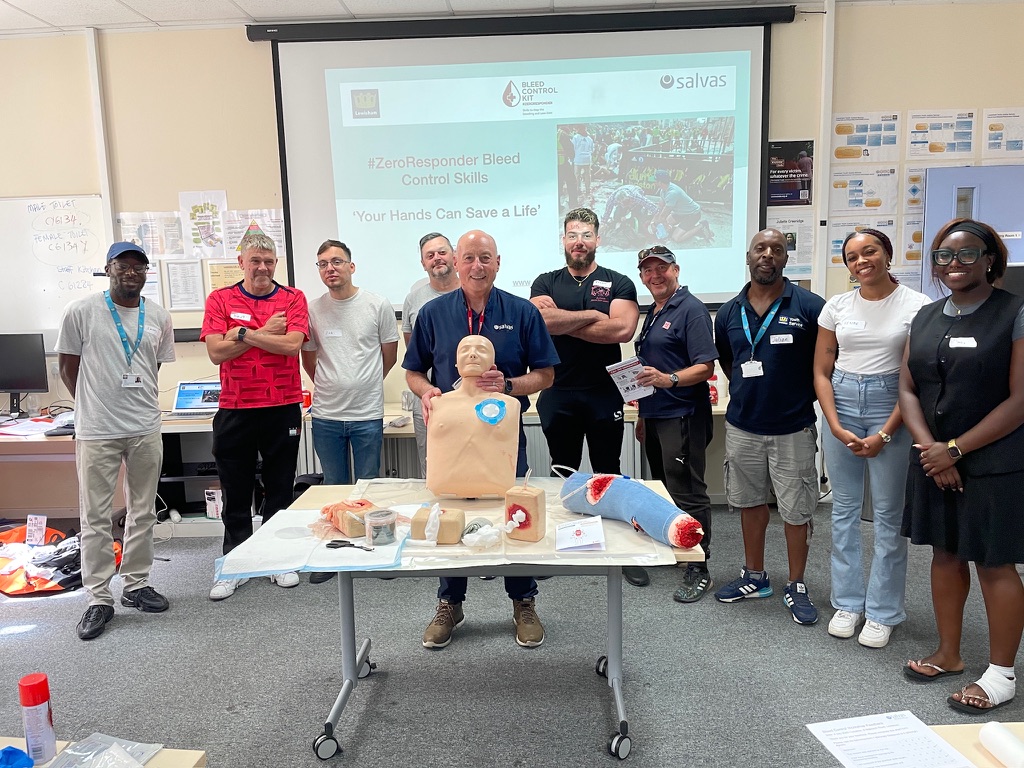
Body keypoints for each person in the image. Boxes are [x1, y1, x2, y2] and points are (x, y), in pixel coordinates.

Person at [404, 229, 558, 649]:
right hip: (450, 439)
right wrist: (427, 391)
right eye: (469, 257)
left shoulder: (523, 312)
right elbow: (414, 371)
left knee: (514, 511)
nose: (477, 266)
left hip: (503, 439)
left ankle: (523, 600)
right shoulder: (433, 314)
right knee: (449, 513)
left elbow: (545, 374)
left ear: (498, 262)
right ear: (456, 262)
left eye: (485, 258)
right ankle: (449, 602)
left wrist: (508, 385)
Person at [900, 219, 1024, 714]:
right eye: (944, 257)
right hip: (934, 460)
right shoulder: (926, 317)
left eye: (966, 254)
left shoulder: (1014, 313)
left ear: (991, 259)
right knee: (945, 555)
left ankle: (1001, 674)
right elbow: (908, 388)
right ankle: (950, 654)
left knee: (994, 563)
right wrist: (933, 449)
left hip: (994, 461)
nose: (953, 265)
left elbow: (1021, 400)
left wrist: (955, 449)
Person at [813, 229, 930, 648]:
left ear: (887, 254)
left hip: (891, 402)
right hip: (840, 402)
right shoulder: (837, 306)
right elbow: (822, 371)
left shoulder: (918, 306)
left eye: (870, 251)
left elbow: (912, 379)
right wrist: (835, 423)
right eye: (851, 256)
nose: (861, 261)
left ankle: (882, 611)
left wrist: (885, 432)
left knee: (887, 514)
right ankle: (847, 602)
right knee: (842, 511)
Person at [56, 242, 175, 640]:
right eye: (123, 265)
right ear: (108, 269)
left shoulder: (157, 315)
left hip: (144, 426)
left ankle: (136, 584)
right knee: (96, 516)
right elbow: (67, 367)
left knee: (143, 511)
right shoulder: (81, 311)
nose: (132, 272)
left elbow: (151, 366)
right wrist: (93, 406)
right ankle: (98, 598)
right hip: (97, 429)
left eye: (139, 267)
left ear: (146, 273)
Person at [713, 229, 826, 625]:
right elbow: (730, 362)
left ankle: (796, 584)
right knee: (748, 502)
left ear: (785, 259)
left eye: (777, 250)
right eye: (761, 248)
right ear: (748, 257)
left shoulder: (810, 306)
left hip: (793, 426)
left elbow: (825, 365)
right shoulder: (729, 311)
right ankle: (755, 575)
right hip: (743, 424)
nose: (768, 255)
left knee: (796, 510)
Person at [529, 208, 642, 584]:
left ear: (597, 240)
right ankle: (561, 545)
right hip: (558, 393)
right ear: (563, 240)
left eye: (587, 235)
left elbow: (622, 330)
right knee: (564, 471)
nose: (580, 241)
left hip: (604, 394)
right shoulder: (545, 281)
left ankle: (622, 554)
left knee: (608, 470)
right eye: (573, 234)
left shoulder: (619, 282)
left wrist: (565, 321)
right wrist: (593, 316)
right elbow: (542, 323)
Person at [201, 232, 309, 601]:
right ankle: (234, 563)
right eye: (255, 261)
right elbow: (216, 352)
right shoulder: (220, 298)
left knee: (280, 487)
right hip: (235, 408)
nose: (262, 267)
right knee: (236, 490)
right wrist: (263, 332)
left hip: (282, 407)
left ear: (275, 263)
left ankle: (277, 559)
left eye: (269, 261)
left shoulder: (292, 298)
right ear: (242, 263)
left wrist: (242, 334)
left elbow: (292, 345)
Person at [302, 240, 399, 584]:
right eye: (323, 264)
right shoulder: (313, 310)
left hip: (366, 414)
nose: (330, 268)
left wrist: (364, 383)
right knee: (333, 488)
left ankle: (376, 549)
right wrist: (334, 384)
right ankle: (336, 558)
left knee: (368, 487)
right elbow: (309, 357)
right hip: (326, 414)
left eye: (337, 262)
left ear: (351, 266)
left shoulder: (377, 304)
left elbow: (390, 354)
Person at [634, 245, 718, 602]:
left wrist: (669, 379)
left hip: (681, 414)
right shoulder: (654, 312)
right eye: (647, 270)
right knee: (666, 488)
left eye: (661, 268)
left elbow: (705, 367)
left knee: (688, 490)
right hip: (655, 416)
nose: (655, 275)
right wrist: (641, 415)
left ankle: (700, 566)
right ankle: (678, 545)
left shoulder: (691, 310)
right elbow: (648, 370)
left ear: (676, 270)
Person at [402, 232, 460, 477]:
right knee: (435, 470)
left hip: (474, 400)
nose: (437, 258)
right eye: (430, 255)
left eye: (442, 252)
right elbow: (413, 353)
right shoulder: (414, 300)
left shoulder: (475, 294)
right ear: (423, 263)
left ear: (455, 257)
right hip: (430, 402)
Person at [650, 169, 713, 245]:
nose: (653, 182)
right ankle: (686, 228)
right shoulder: (663, 190)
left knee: (676, 238)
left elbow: (662, 216)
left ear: (660, 182)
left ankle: (702, 226)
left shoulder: (672, 193)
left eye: (655, 180)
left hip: (692, 214)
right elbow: (659, 208)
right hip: (679, 213)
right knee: (661, 226)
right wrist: (653, 222)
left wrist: (666, 226)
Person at [572, 125, 595, 197]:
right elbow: (592, 149)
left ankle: (578, 189)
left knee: (577, 175)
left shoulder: (576, 137)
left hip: (578, 159)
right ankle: (588, 189)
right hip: (587, 159)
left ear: (579, 129)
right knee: (587, 175)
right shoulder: (589, 139)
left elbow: (573, 148)